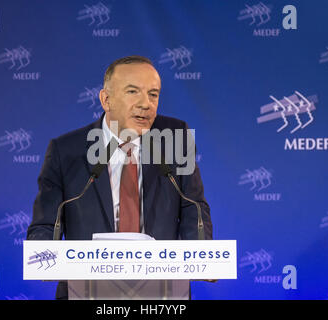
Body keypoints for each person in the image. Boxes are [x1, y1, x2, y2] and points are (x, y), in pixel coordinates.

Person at [26, 55, 213, 299]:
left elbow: (194, 207)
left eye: (153, 94)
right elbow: (45, 225)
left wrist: (201, 256)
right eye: (133, 92)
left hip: (162, 294)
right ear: (106, 99)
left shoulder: (175, 137)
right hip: (86, 292)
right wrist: (44, 258)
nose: (146, 104)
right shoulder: (66, 150)